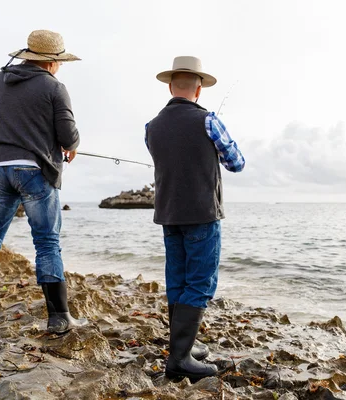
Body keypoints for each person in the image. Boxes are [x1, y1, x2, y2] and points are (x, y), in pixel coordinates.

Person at [0, 30, 88, 335]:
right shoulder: (54, 87)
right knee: (47, 242)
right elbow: (68, 136)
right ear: (51, 62)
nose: (60, 67)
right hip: (35, 170)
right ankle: (59, 317)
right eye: (60, 62)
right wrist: (72, 144)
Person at [145, 56, 245, 381]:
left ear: (171, 87)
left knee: (177, 279)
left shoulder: (152, 127)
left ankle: (182, 347)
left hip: (169, 214)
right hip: (201, 212)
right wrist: (212, 151)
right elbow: (237, 162)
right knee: (200, 283)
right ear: (198, 89)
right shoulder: (208, 121)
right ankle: (180, 359)